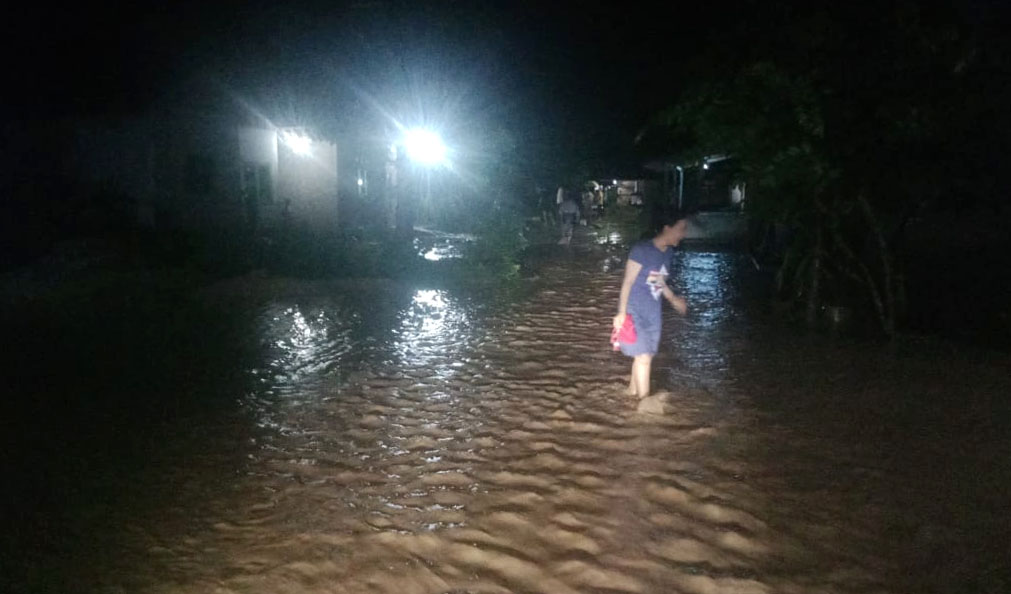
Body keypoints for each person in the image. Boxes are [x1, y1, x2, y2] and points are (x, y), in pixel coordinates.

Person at [612, 211, 690, 399]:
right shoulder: (641, 250)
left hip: (653, 312)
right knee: (644, 357)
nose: (683, 234)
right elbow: (628, 282)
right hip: (634, 310)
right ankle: (645, 404)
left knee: (644, 356)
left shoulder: (668, 253)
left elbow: (657, 280)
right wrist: (621, 313)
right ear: (667, 228)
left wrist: (673, 299)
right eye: (681, 229)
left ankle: (631, 392)